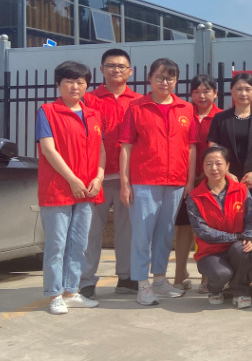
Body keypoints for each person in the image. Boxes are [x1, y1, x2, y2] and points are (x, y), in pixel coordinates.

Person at [119, 58, 198, 306]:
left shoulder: (186, 108)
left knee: (165, 234)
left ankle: (160, 280)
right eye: (160, 77)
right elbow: (126, 146)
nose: (165, 82)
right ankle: (142, 284)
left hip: (175, 181)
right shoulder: (136, 107)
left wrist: (189, 180)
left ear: (176, 81)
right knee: (142, 235)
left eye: (170, 78)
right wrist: (125, 182)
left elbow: (191, 147)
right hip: (144, 180)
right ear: (150, 79)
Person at [36, 61, 105, 315]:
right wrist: (72, 179)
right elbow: (48, 149)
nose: (75, 86)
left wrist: (98, 177)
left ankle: (71, 291)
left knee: (79, 244)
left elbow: (101, 149)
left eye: (80, 82)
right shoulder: (47, 111)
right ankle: (55, 294)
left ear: (87, 85)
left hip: (87, 190)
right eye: (69, 81)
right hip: (58, 188)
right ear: (58, 84)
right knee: (57, 244)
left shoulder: (93, 114)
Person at [78, 49, 141, 300]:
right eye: (111, 65)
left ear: (130, 71)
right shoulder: (88, 99)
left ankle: (126, 277)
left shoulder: (138, 101)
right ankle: (85, 280)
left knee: (128, 230)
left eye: (121, 66)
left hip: (129, 177)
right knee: (90, 230)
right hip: (95, 176)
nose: (116, 70)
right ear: (101, 69)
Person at [208, 72, 252, 297]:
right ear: (231, 92)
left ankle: (250, 279)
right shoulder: (221, 119)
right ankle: (230, 277)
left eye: (248, 89)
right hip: (225, 185)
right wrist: (226, 174)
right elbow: (213, 147)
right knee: (228, 229)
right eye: (238, 88)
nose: (243, 93)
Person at [187, 146, 252, 309]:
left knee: (244, 248)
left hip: (235, 248)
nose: (214, 168)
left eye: (218, 163)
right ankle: (215, 289)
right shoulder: (195, 196)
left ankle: (240, 291)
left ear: (227, 166)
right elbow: (202, 231)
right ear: (203, 167)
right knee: (222, 274)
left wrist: (250, 236)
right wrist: (236, 236)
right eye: (208, 164)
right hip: (209, 252)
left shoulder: (241, 190)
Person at [172, 75, 221, 293]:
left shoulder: (221, 117)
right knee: (183, 228)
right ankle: (180, 273)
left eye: (207, 91)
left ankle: (206, 276)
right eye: (197, 92)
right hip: (184, 181)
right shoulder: (182, 113)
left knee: (207, 229)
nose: (202, 96)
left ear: (215, 94)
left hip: (212, 181)